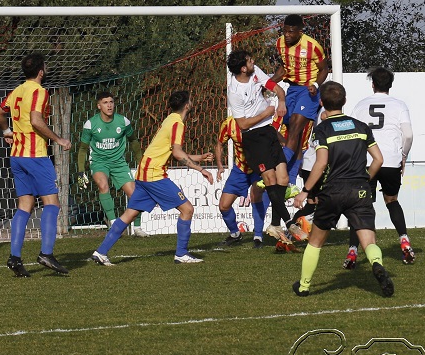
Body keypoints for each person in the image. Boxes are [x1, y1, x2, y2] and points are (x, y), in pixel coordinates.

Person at [291, 81, 394, 298]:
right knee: (369, 241)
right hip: (359, 190)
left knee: (315, 242)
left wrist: (305, 191)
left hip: (333, 191)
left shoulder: (322, 130)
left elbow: (321, 163)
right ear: (345, 101)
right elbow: (378, 159)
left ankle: (304, 286)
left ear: (321, 102)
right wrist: (365, 179)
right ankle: (376, 263)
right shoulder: (361, 127)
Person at [91, 90, 214, 265]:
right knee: (187, 210)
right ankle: (181, 254)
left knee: (130, 214)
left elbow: (170, 152)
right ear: (187, 105)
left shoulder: (169, 119)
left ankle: (101, 252)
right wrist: (201, 169)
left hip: (144, 172)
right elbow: (177, 153)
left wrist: (199, 157)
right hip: (154, 174)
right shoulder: (177, 123)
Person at [0, 53, 73, 277]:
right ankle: (46, 253)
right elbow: (36, 121)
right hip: (35, 155)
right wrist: (58, 139)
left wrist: (7, 131)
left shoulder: (18, 90)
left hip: (17, 155)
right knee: (52, 203)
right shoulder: (39, 91)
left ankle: (15, 258)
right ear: (41, 71)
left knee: (25, 205)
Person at [225, 49, 295, 245]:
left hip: (268, 132)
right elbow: (242, 124)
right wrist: (267, 113)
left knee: (283, 178)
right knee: (270, 179)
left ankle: (275, 224)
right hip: (253, 137)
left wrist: (281, 101)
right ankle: (289, 222)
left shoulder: (255, 71)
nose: (253, 62)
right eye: (249, 61)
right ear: (242, 68)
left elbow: (276, 88)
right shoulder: (234, 92)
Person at [347, 66, 416, 265]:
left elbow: (352, 134)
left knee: (360, 207)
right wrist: (403, 156)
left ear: (373, 84)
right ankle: (404, 241)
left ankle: (352, 251)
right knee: (392, 200)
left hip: (366, 161)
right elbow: (408, 135)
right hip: (391, 160)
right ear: (390, 85)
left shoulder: (360, 105)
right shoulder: (399, 105)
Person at [272, 15, 329, 184]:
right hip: (292, 89)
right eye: (285, 31)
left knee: (296, 127)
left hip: (308, 90)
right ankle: (291, 180)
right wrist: (268, 83)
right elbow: (284, 69)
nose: (287, 35)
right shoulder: (280, 43)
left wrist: (316, 85)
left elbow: (324, 69)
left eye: (291, 32)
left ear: (300, 31)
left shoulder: (313, 46)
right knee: (292, 132)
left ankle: (281, 173)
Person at [76, 91, 141, 230]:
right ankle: (113, 223)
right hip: (99, 162)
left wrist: (141, 162)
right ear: (99, 106)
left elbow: (134, 141)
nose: (109, 105)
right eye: (105, 103)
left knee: (135, 193)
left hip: (119, 163)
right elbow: (82, 149)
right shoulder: (90, 124)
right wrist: (81, 171)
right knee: (103, 186)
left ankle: (137, 228)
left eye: (111, 102)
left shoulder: (123, 122)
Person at [214, 114, 268, 248]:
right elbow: (219, 144)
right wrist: (220, 165)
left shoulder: (259, 119)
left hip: (259, 167)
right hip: (240, 169)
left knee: (256, 195)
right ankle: (235, 234)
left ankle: (258, 236)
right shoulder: (229, 123)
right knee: (224, 205)